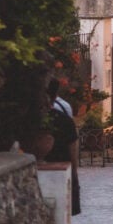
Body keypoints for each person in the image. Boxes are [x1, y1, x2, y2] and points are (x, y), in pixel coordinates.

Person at [45, 78, 81, 215]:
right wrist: (74, 174)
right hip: (61, 169)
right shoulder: (65, 119)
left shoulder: (31, 120)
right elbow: (73, 150)